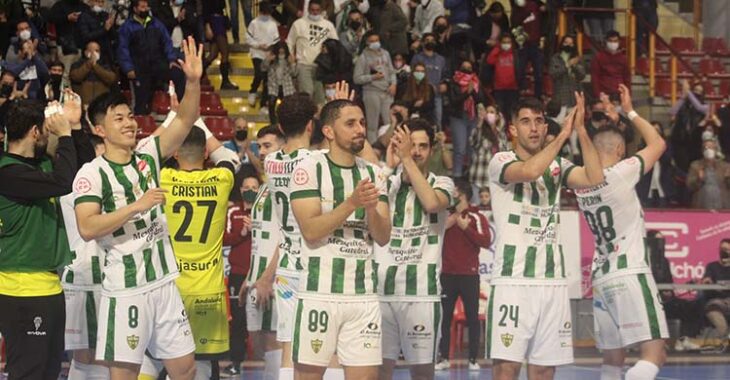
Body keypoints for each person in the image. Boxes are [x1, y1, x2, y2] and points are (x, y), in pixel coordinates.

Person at [72, 36, 202, 379]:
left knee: (186, 369)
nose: (130, 123)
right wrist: (137, 206)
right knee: (125, 374)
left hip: (164, 282)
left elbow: (186, 119)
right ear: (99, 130)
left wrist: (193, 81)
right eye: (119, 119)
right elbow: (88, 226)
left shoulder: (148, 154)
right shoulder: (91, 174)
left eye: (130, 116)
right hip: (126, 290)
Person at [486, 93, 605, 380]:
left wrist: (580, 131)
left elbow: (595, 178)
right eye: (526, 122)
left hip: (552, 282)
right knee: (506, 369)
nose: (535, 128)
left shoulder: (557, 166)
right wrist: (562, 136)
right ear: (512, 129)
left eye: (539, 121)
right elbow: (529, 170)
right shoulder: (501, 160)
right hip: (513, 280)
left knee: (543, 370)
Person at [289, 99, 391, 380]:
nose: (360, 129)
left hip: (363, 297)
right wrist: (352, 203)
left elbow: (382, 237)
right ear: (329, 132)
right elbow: (310, 230)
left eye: (362, 122)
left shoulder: (373, 173)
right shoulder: (307, 167)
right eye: (350, 123)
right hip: (319, 294)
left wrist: (370, 208)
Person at [575, 84, 668, 380]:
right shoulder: (621, 172)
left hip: (602, 276)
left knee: (613, 360)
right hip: (630, 271)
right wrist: (629, 111)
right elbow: (658, 143)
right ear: (619, 151)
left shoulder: (580, 183)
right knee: (655, 354)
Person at [0, 98, 84, 380]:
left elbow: (78, 163)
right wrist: (64, 134)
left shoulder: (38, 166)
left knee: (48, 372)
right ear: (36, 132)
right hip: (22, 289)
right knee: (28, 373)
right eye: (46, 132)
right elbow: (64, 182)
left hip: (47, 287)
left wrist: (73, 125)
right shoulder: (8, 173)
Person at [160, 123, 240, 379]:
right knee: (203, 364)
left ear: (174, 153)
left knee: (163, 362)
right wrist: (200, 122)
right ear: (205, 153)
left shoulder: (164, 178)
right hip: (209, 291)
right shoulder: (222, 178)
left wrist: (177, 117)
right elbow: (228, 158)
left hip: (171, 289)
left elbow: (146, 153)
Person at [376, 118, 454, 380]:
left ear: (431, 150)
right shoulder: (386, 183)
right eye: (411, 146)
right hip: (381, 294)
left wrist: (406, 159)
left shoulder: (443, 184)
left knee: (422, 374)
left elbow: (431, 203)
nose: (416, 151)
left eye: (422, 146)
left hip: (422, 295)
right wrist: (390, 166)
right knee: (378, 373)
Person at [261, 92, 320, 380]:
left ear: (281, 128)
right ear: (311, 125)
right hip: (315, 261)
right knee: (322, 347)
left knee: (289, 344)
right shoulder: (319, 162)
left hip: (286, 264)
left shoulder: (270, 162)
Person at [60, 120, 109, 380]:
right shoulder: (87, 190)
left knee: (88, 355)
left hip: (84, 277)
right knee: (91, 355)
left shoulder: (64, 188)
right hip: (89, 278)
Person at [238, 126, 286, 378]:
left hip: (275, 280)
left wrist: (267, 277)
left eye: (268, 146)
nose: (263, 152)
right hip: (257, 279)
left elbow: (288, 238)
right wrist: (250, 276)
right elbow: (262, 238)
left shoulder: (285, 186)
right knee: (259, 348)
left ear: (283, 146)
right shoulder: (266, 185)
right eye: (260, 147)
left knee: (274, 346)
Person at [436, 178, 491, 371]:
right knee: (444, 318)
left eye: (454, 191)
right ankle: (443, 358)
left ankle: (473, 359)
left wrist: (465, 227)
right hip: (448, 274)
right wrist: (451, 222)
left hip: (470, 275)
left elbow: (486, 241)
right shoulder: (444, 215)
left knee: (472, 317)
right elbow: (433, 234)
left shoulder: (477, 217)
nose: (451, 194)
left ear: (463, 193)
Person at [221, 171, 257, 376]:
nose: (250, 191)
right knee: (238, 320)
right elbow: (224, 238)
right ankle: (236, 362)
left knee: (263, 321)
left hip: (260, 275)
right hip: (238, 273)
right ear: (241, 190)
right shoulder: (233, 211)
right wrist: (241, 234)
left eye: (254, 188)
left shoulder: (267, 211)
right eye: (247, 188)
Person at [117, 0, 179, 115]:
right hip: (138, 69)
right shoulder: (127, 27)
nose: (145, 9)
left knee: (151, 99)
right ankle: (140, 125)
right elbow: (122, 49)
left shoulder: (156, 24)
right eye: (142, 7)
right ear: (135, 9)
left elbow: (167, 42)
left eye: (146, 7)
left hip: (155, 67)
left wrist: (171, 59)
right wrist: (128, 68)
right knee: (140, 102)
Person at [287, 0, 339, 105]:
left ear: (321, 10)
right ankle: (306, 120)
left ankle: (318, 120)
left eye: (317, 10)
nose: (315, 12)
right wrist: (292, 57)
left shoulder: (328, 25)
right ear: (308, 9)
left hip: (321, 66)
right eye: (312, 10)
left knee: (320, 98)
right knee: (307, 94)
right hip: (304, 64)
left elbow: (336, 44)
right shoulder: (299, 24)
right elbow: (289, 42)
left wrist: (328, 50)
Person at [353, 31, 397, 142]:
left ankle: (389, 147)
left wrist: (394, 84)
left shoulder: (385, 54)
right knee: (372, 124)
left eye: (376, 40)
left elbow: (392, 71)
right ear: (367, 42)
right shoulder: (363, 57)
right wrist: (372, 77)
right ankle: (373, 149)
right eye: (372, 41)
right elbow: (357, 78)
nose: (375, 43)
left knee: (389, 122)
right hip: (371, 92)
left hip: (387, 91)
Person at [447, 59, 483, 178]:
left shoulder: (476, 81)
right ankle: (456, 175)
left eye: (469, 67)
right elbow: (454, 101)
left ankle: (471, 174)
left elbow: (480, 99)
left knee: (471, 148)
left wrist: (472, 92)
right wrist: (467, 92)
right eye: (464, 66)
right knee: (460, 149)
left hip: (472, 118)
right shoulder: (454, 82)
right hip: (458, 117)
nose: (467, 69)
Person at [469, 103, 509, 195]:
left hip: (496, 181)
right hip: (480, 177)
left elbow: (506, 154)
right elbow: (473, 142)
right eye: (487, 112)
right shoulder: (479, 131)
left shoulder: (501, 135)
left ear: (497, 116)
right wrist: (480, 122)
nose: (489, 114)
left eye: (492, 112)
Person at [246, 1, 280, 107]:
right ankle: (253, 91)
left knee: (267, 78)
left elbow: (276, 40)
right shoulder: (254, 23)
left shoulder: (273, 24)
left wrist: (270, 48)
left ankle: (264, 102)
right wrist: (258, 45)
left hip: (268, 54)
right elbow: (248, 38)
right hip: (256, 53)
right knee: (259, 73)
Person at [510, 0, 545, 99]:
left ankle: (538, 96)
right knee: (519, 71)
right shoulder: (515, 11)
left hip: (536, 44)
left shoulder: (535, 5)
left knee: (538, 73)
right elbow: (514, 27)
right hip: (523, 45)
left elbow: (544, 20)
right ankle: (519, 93)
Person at [410, 32, 446, 126]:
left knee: (438, 122)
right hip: (422, 94)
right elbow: (413, 76)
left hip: (437, 95)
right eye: (427, 40)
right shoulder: (417, 58)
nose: (430, 42)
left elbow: (445, 75)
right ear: (422, 43)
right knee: (421, 122)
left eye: (432, 40)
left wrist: (444, 83)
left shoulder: (441, 59)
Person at [637, 121, 675, 208]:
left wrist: (658, 147)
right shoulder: (643, 145)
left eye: (657, 130)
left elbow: (668, 159)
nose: (655, 132)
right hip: (647, 185)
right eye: (653, 130)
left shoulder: (666, 145)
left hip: (663, 183)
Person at [203, 0, 239, 90]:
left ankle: (200, 72)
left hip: (219, 20)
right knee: (225, 52)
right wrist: (207, 26)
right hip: (215, 21)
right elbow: (206, 8)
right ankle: (225, 81)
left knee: (214, 54)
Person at [69, 40, 118, 106]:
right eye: (91, 51)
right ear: (86, 53)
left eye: (97, 51)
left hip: (102, 103)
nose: (94, 54)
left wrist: (95, 66)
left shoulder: (105, 64)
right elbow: (76, 77)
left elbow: (111, 79)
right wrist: (88, 64)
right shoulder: (78, 64)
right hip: (83, 103)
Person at [686, 138, 730, 209]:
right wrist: (699, 179)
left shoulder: (725, 166)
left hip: (723, 206)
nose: (708, 150)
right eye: (706, 148)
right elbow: (690, 186)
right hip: (702, 206)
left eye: (711, 147)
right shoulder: (695, 165)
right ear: (702, 151)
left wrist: (728, 178)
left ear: (716, 150)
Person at [49, 0, 89, 79]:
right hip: (65, 46)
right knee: (65, 74)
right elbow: (50, 18)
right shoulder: (59, 5)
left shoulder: (84, 7)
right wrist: (67, 18)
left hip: (82, 45)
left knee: (80, 75)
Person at [701, 239, 730, 343]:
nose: (724, 252)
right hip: (716, 301)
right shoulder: (712, 267)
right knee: (713, 311)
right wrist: (707, 281)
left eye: (727, 249)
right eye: (722, 249)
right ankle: (724, 338)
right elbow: (706, 280)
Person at [261, 43, 298, 124]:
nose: (281, 54)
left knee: (287, 107)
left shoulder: (288, 60)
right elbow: (263, 68)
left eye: (283, 52)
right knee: (271, 105)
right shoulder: (272, 60)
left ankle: (286, 123)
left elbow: (294, 73)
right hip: (273, 86)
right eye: (280, 52)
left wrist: (292, 63)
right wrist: (268, 60)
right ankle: (273, 123)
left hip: (286, 87)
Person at [486, 33, 520, 121]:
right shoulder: (497, 54)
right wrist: (497, 48)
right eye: (504, 42)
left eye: (508, 42)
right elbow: (489, 61)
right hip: (499, 89)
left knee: (512, 113)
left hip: (513, 88)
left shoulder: (515, 54)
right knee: (500, 113)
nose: (506, 44)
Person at [549, 35, 586, 109]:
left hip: (575, 97)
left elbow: (582, 75)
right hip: (560, 97)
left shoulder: (577, 59)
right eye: (566, 43)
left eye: (571, 43)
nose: (568, 45)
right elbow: (553, 74)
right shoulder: (555, 58)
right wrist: (567, 65)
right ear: (562, 43)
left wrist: (575, 66)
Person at [591, 30, 630, 99]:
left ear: (619, 42)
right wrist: (598, 94)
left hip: (620, 94)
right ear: (606, 41)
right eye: (610, 41)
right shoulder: (599, 57)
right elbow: (595, 77)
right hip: (604, 94)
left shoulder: (624, 58)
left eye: (615, 41)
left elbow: (627, 77)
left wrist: (628, 95)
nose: (613, 43)